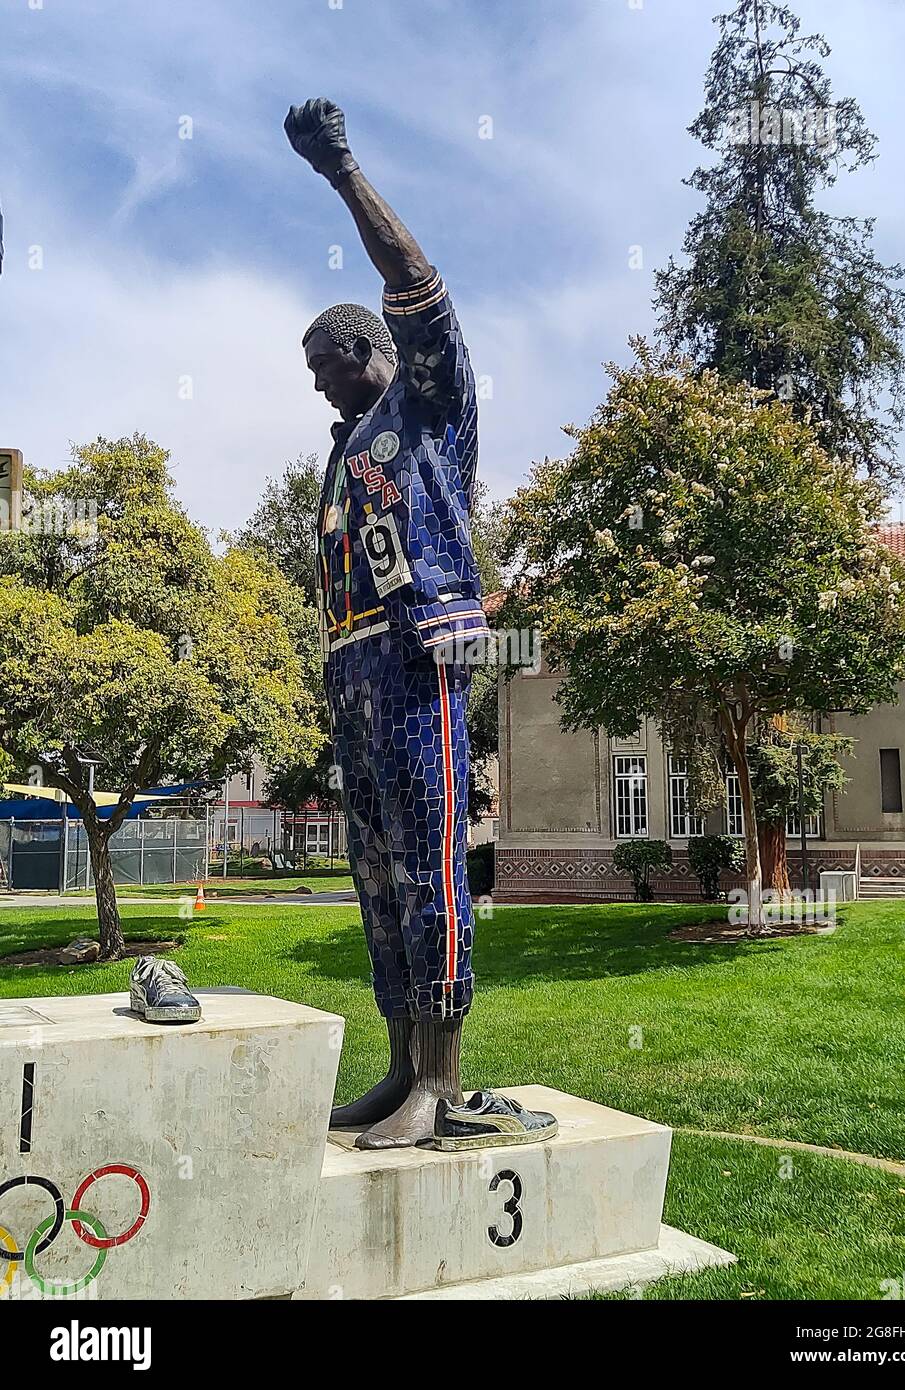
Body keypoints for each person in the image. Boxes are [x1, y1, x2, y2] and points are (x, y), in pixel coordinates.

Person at [285, 98, 488, 1149]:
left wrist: (340, 171)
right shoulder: (345, 442)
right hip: (355, 668)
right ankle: (402, 1063)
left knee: (430, 856)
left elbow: (417, 285)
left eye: (329, 360)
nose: (319, 380)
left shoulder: (429, 399)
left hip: (421, 657)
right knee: (373, 869)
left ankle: (443, 1083)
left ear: (372, 346)